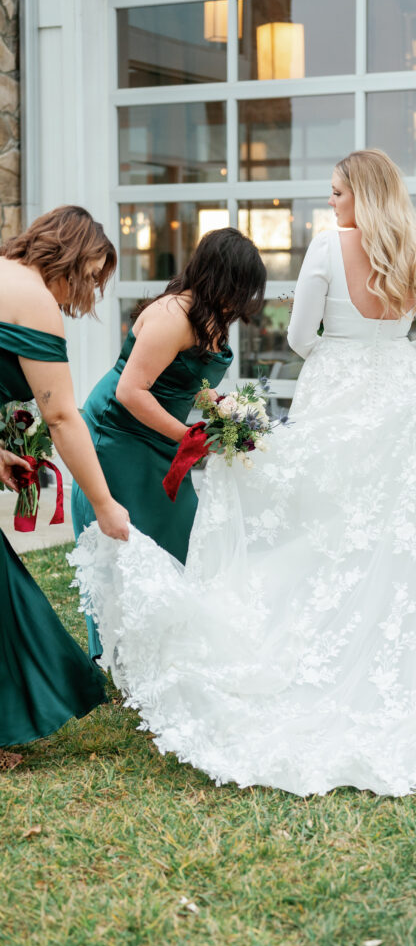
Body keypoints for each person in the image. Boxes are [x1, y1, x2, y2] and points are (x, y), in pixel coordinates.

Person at [70, 149, 416, 797]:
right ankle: (403, 656)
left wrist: (341, 352)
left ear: (361, 195)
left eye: (337, 192)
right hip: (400, 393)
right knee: (399, 529)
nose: (331, 203)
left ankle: (311, 646)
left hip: (337, 382)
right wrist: (385, 349)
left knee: (326, 521)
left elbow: (296, 336)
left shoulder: (325, 248)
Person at [71, 227, 266, 659]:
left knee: (181, 529)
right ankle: (118, 650)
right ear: (222, 276)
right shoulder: (173, 315)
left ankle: (170, 639)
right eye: (241, 287)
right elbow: (131, 391)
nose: (244, 300)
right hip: (119, 434)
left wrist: (218, 407)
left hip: (162, 437)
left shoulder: (212, 314)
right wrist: (191, 437)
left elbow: (184, 378)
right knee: (130, 538)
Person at [0, 205, 129, 770]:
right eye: (93, 275)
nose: (91, 294)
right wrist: (103, 503)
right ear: (70, 259)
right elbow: (63, 419)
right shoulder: (33, 300)